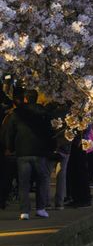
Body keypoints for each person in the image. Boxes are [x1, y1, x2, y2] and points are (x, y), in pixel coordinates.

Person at [3, 89, 54, 219]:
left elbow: (10, 132)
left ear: (25, 99)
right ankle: (41, 208)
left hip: (22, 151)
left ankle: (24, 211)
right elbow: (49, 132)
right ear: (36, 98)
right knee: (41, 180)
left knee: (23, 182)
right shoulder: (43, 113)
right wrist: (51, 148)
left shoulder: (17, 113)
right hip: (39, 151)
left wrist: (10, 147)